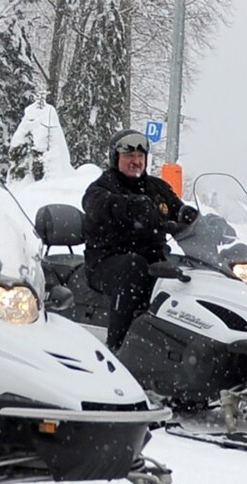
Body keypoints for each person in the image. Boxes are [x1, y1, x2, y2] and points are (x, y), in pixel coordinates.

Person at [81, 129, 198, 352]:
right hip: (106, 262)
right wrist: (132, 207)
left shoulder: (157, 188)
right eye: (129, 156)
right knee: (133, 266)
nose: (136, 162)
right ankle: (117, 347)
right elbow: (94, 205)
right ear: (116, 158)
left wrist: (191, 217)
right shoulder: (102, 188)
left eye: (140, 157)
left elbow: (177, 210)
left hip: (153, 260)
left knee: (188, 273)